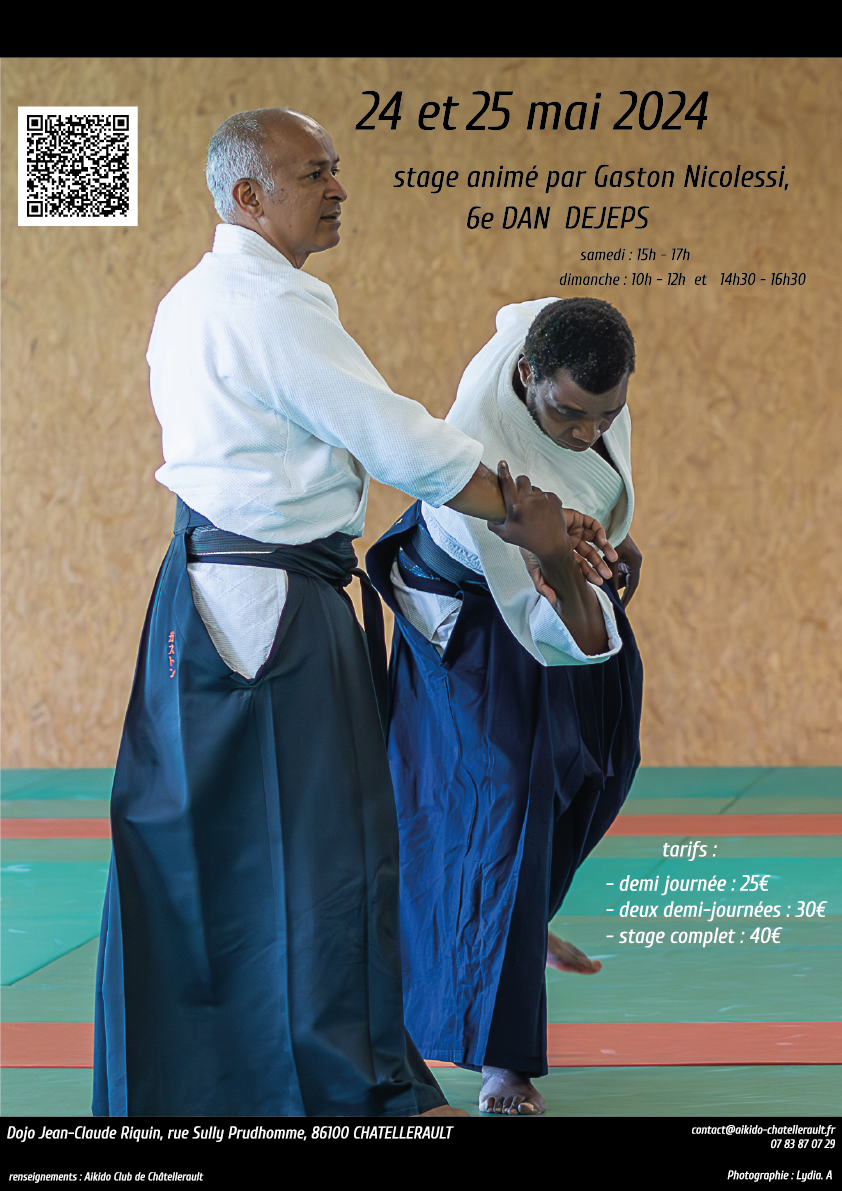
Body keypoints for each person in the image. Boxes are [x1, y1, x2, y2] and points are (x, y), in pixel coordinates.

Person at [91, 111, 611, 1118]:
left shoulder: (194, 298)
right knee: (333, 855)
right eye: (311, 174)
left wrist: (532, 511)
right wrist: (525, 513)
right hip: (271, 608)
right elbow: (399, 442)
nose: (335, 188)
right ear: (248, 196)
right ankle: (370, 1093)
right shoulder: (265, 308)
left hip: (208, 596)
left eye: (335, 168)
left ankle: (206, 1089)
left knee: (209, 852)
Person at [366, 297, 644, 1116]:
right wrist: (559, 551)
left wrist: (610, 528)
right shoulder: (481, 455)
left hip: (550, 568)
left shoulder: (558, 347)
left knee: (606, 756)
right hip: (472, 608)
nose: (588, 432)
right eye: (570, 414)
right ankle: (503, 1063)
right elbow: (567, 634)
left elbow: (533, 309)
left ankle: (520, 921)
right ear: (526, 376)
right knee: (507, 800)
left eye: (607, 415)